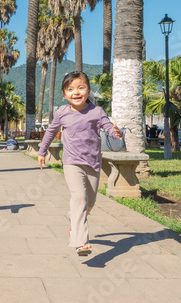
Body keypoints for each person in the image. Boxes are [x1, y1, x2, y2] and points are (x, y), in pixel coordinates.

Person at [38, 71, 122, 256]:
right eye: (70, 89)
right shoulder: (62, 113)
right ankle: (81, 242)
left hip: (93, 163)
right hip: (72, 163)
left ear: (88, 90)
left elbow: (108, 127)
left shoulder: (97, 111)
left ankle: (73, 219)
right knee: (79, 198)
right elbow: (50, 132)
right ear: (64, 94)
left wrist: (116, 132)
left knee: (89, 203)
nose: (76, 92)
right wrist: (42, 152)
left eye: (80, 88)